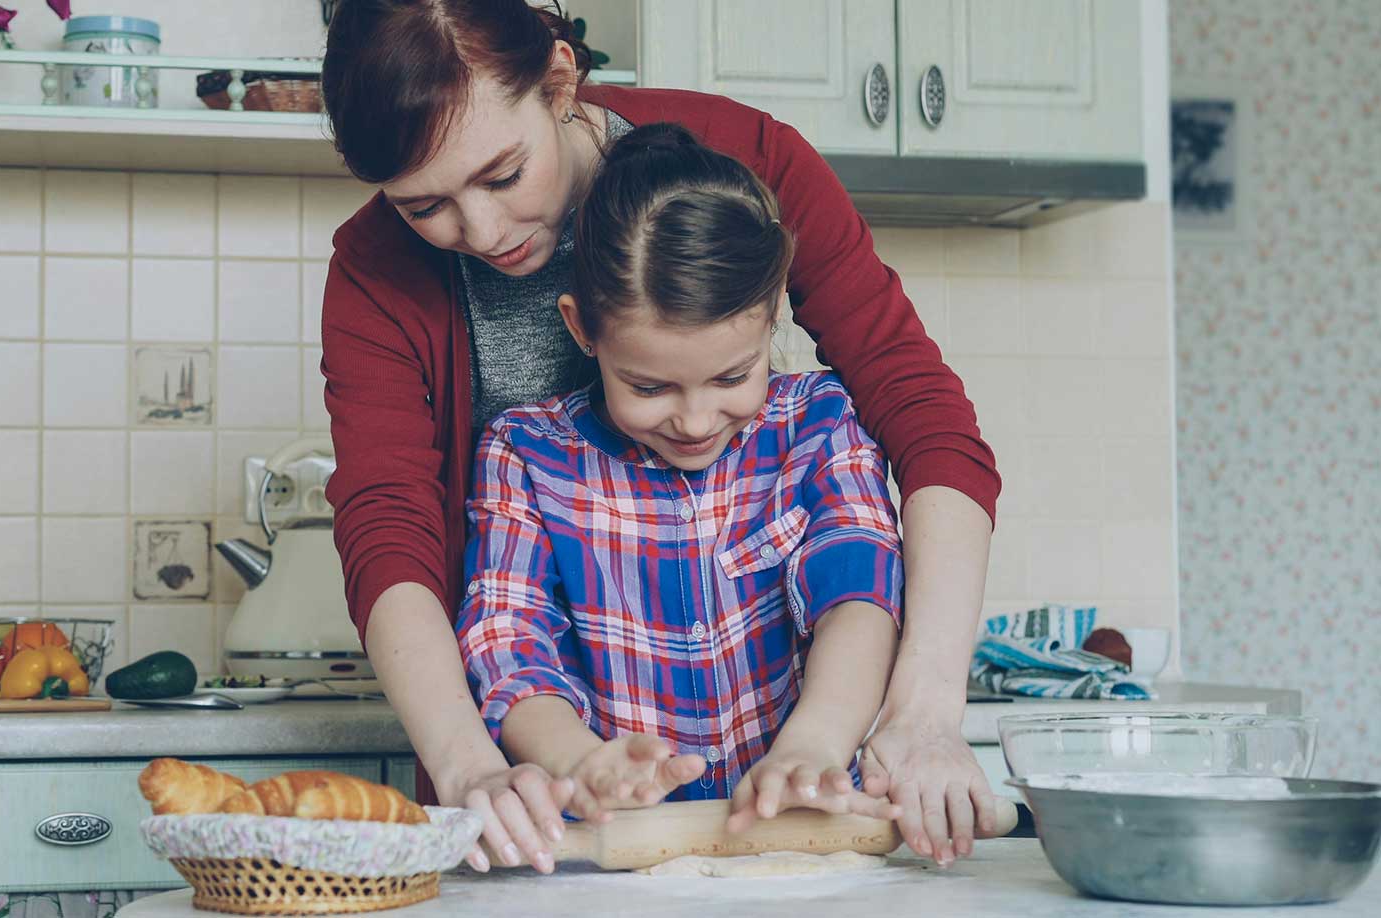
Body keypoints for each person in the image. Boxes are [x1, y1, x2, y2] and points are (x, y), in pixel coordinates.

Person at [318, 0, 1003, 872]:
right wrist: (468, 762)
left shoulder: (742, 163)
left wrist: (924, 712)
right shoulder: (382, 278)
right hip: (545, 811)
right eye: (425, 208)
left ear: (559, 83)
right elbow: (390, 530)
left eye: (502, 175)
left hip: (784, 814)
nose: (481, 234)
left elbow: (922, 418)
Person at [457, 123, 905, 841]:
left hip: (804, 840)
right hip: (613, 859)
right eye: (649, 385)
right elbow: (510, 646)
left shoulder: (819, 425)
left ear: (771, 315)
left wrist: (812, 746)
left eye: (733, 376)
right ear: (583, 330)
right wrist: (583, 762)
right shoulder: (525, 455)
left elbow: (858, 596)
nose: (696, 421)